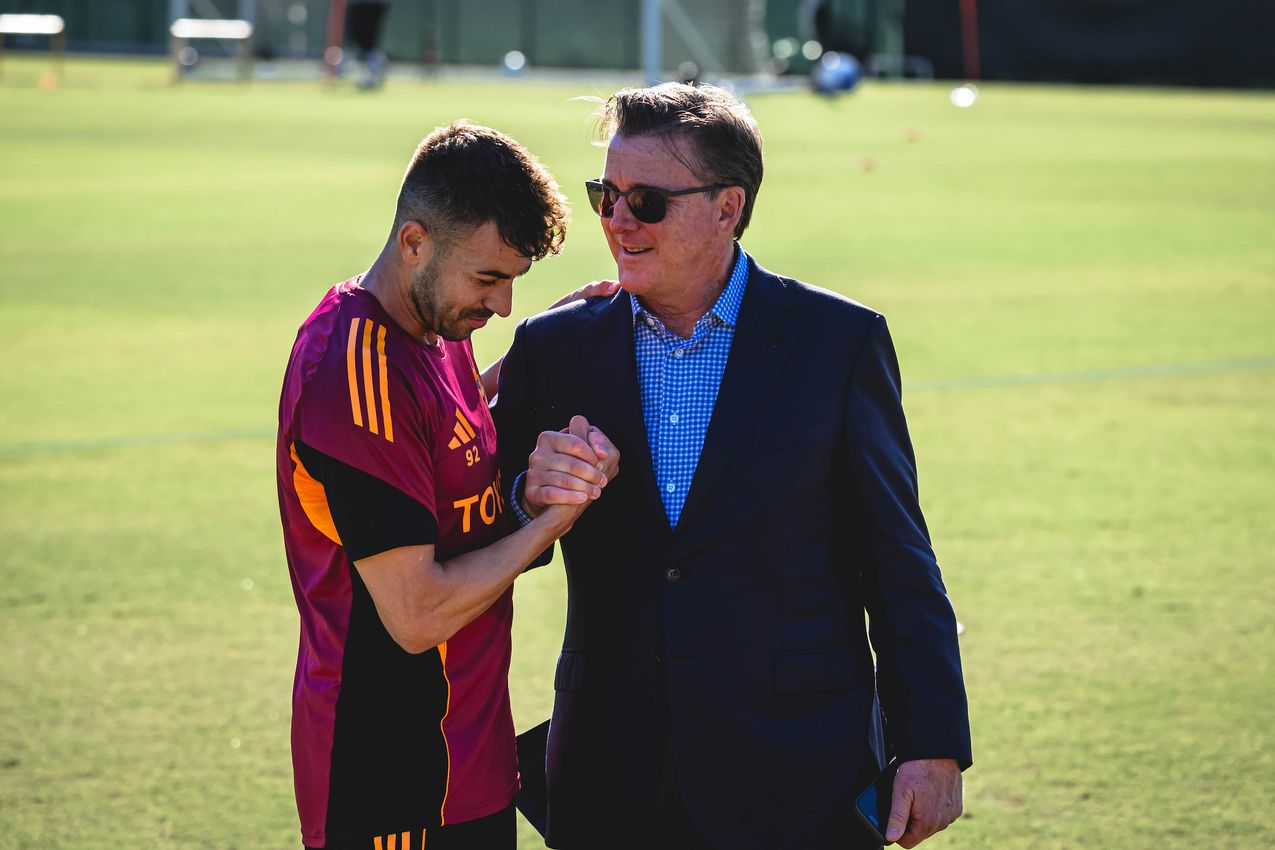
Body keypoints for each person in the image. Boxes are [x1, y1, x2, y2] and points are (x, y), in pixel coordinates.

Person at [494, 83, 971, 850]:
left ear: (727, 206)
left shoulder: (836, 342)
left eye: (646, 200)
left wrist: (932, 742)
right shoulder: (556, 348)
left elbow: (898, 560)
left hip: (798, 771)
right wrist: (525, 494)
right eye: (605, 195)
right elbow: (468, 519)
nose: (617, 220)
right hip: (610, 772)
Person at [275, 121, 616, 850]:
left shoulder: (432, 330)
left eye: (514, 283)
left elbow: (452, 435)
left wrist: (542, 345)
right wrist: (546, 525)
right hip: (394, 776)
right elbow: (417, 615)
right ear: (414, 244)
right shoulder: (350, 376)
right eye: (488, 279)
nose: (501, 306)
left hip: (473, 758)